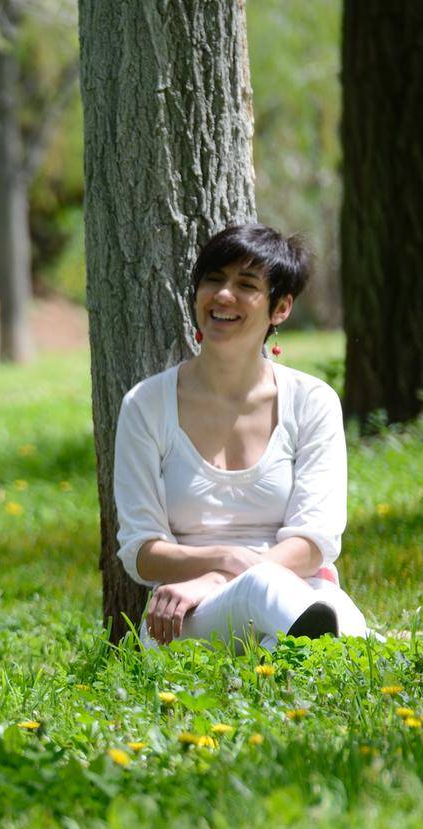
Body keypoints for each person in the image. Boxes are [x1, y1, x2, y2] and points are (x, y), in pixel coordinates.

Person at [114, 222, 367, 649]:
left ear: (280, 308)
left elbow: (314, 541)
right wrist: (224, 561)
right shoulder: (146, 405)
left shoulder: (311, 402)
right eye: (213, 280)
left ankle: (280, 669)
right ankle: (306, 657)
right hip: (185, 615)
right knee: (264, 593)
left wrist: (216, 577)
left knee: (336, 622)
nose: (224, 295)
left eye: (246, 285)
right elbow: (141, 551)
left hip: (303, 593)